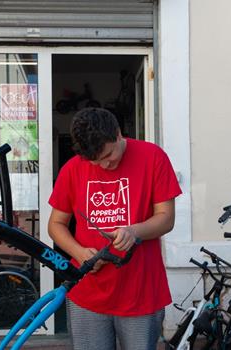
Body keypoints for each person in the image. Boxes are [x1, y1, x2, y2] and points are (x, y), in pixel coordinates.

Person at [48, 108, 182, 350]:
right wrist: (79, 253)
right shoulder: (72, 168)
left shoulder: (153, 157)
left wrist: (133, 232)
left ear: (119, 134)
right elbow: (56, 225)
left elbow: (166, 219)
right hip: (87, 291)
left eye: (108, 155)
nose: (105, 165)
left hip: (140, 292)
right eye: (96, 161)